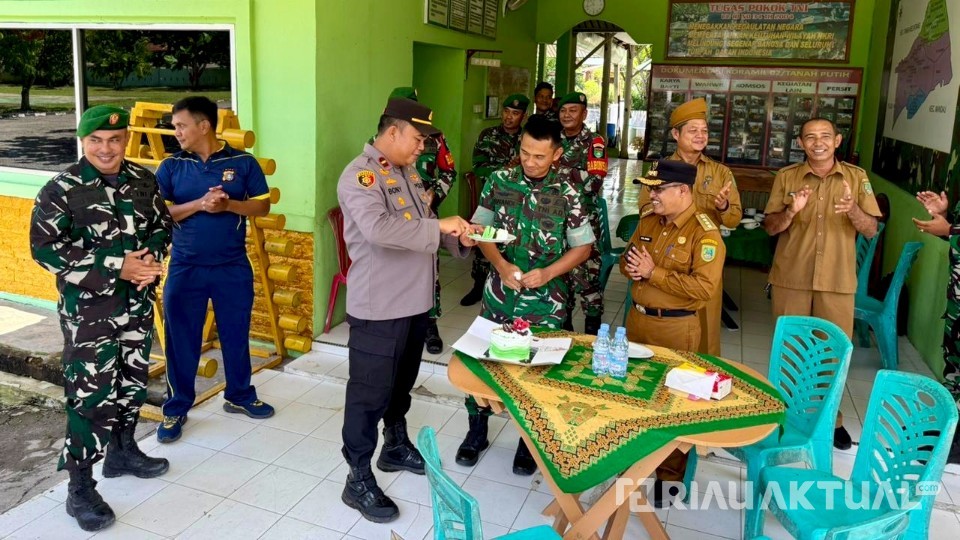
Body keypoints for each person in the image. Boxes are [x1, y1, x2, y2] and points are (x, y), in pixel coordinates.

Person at [29, 105, 173, 531]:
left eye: (114, 139)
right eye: (96, 140)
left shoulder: (143, 180)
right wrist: (116, 265)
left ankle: (123, 451)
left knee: (131, 382)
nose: (106, 148)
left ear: (125, 139)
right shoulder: (62, 189)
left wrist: (150, 260)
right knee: (91, 398)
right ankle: (80, 489)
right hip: (89, 314)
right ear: (83, 141)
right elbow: (45, 250)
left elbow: (162, 226)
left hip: (136, 306)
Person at [338, 97, 479, 523]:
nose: (424, 147)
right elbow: (381, 230)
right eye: (419, 138)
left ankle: (394, 444)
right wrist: (440, 226)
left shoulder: (407, 172)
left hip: (415, 302)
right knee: (368, 394)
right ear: (393, 132)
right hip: (380, 304)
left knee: (401, 384)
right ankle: (357, 477)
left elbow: (420, 230)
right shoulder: (360, 176)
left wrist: (458, 238)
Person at [456, 113, 594, 474]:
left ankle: (528, 442)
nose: (530, 162)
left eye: (539, 156)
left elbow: (582, 248)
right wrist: (500, 265)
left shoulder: (568, 192)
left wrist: (548, 272)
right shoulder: (499, 180)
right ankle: (476, 431)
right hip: (500, 293)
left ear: (557, 154)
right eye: (524, 153)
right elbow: (480, 229)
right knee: (483, 362)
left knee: (536, 373)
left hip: (546, 302)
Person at [154, 96, 275, 444]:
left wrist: (228, 205)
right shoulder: (171, 166)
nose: (176, 132)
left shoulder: (243, 162)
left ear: (203, 125)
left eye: (181, 125)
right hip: (185, 268)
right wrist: (200, 204)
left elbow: (262, 205)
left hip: (232, 266)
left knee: (236, 334)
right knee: (181, 341)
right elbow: (160, 214)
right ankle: (176, 407)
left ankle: (239, 396)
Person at [763, 117, 881, 450]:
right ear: (800, 143)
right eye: (810, 137)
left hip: (837, 280)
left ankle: (831, 420)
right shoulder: (787, 178)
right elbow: (770, 227)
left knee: (832, 355)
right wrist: (790, 211)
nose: (818, 142)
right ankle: (785, 416)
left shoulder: (856, 179)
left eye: (825, 136)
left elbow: (871, 229)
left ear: (838, 140)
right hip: (792, 278)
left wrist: (853, 210)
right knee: (791, 353)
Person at [620, 158, 726, 507]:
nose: (651, 195)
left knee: (672, 405)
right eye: (649, 188)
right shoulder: (649, 221)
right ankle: (632, 462)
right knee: (634, 395)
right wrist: (632, 269)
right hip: (637, 322)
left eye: (658, 189)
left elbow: (704, 289)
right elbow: (627, 259)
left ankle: (669, 477)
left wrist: (654, 274)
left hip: (676, 329)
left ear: (682, 190)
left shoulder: (705, 232)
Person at [637, 98, 742, 356]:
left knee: (705, 332)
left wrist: (722, 207)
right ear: (676, 133)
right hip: (666, 253)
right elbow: (645, 210)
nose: (700, 136)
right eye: (693, 130)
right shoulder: (658, 169)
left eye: (704, 130)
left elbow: (734, 219)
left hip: (702, 259)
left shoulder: (720, 172)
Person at [370, 87, 457, 354]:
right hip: (394, 222)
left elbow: (448, 171)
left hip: (427, 216)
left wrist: (435, 194)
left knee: (430, 269)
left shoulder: (435, 139)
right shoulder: (377, 144)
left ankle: (429, 323)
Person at [460, 93, 529, 306]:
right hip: (493, 198)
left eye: (515, 113)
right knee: (484, 239)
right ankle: (478, 286)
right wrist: (504, 171)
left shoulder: (527, 138)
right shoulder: (488, 135)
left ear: (523, 116)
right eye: (506, 112)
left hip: (518, 203)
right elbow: (478, 166)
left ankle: (514, 285)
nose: (509, 117)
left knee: (514, 242)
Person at [911, 190, 960, 464]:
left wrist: (950, 229)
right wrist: (945, 219)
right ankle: (949, 431)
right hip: (957, 300)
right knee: (954, 364)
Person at [557, 91, 608, 335]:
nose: (567, 115)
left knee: (588, 274)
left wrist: (558, 172)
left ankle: (592, 326)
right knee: (561, 271)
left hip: (584, 218)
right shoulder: (552, 139)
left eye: (573, 110)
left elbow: (594, 182)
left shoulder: (594, 142)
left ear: (584, 113)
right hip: (555, 218)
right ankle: (562, 324)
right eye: (563, 111)